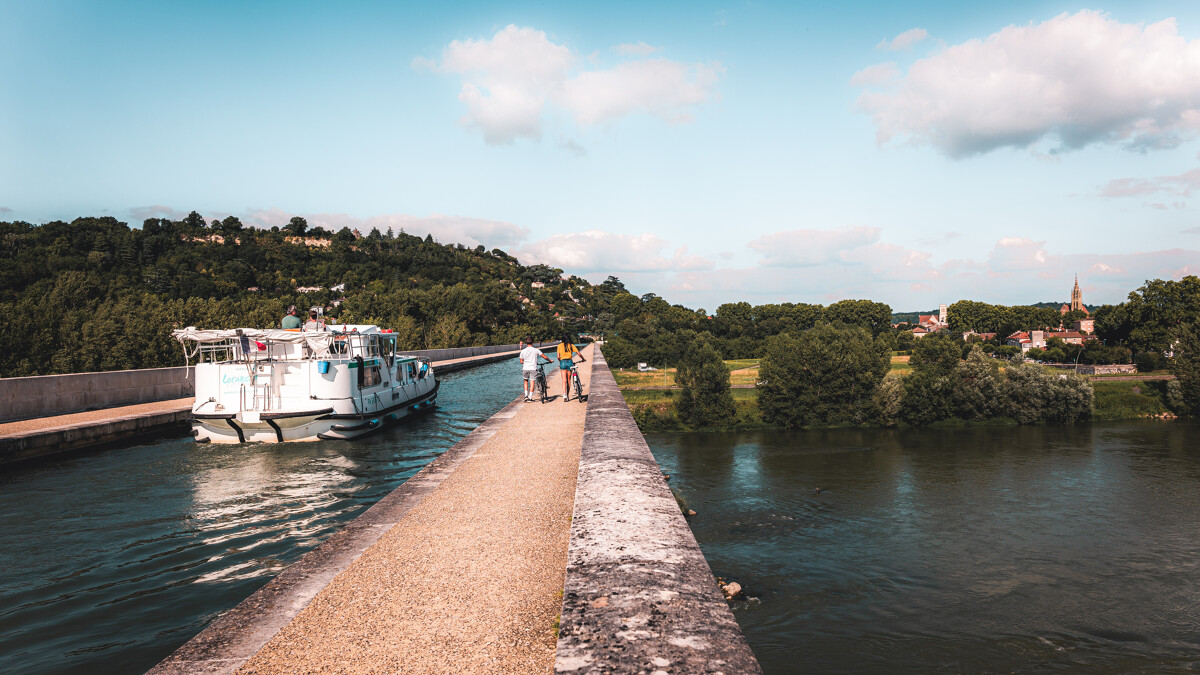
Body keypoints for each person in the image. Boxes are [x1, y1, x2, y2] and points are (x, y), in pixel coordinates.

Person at [520, 337, 550, 402]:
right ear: (533, 343)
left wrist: (526, 361)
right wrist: (550, 360)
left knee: (525, 381)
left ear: (526, 343)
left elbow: (521, 361)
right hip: (533, 368)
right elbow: (544, 356)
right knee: (532, 382)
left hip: (525, 368)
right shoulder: (536, 350)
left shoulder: (523, 351)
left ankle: (526, 396)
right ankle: (530, 397)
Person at [557, 334, 583, 402]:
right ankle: (568, 395)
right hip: (570, 362)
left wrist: (561, 361)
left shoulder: (559, 346)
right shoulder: (571, 345)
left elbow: (558, 357)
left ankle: (564, 395)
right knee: (568, 379)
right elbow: (579, 353)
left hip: (562, 362)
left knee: (564, 380)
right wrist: (583, 359)